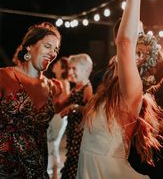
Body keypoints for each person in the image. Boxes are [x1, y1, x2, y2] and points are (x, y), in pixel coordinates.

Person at [76, 0, 163, 179]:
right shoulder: (110, 87)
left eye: (138, 51)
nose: (130, 49)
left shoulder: (132, 92)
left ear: (143, 68)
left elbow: (125, 41)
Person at [0, 22, 66, 178]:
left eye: (56, 49)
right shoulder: (5, 77)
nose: (53, 53)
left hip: (37, 168)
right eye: (47, 46)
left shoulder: (53, 87)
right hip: (5, 168)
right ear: (29, 46)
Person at [60, 53, 93, 179]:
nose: (70, 71)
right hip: (72, 131)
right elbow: (59, 106)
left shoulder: (87, 88)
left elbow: (90, 112)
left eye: (74, 68)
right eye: (69, 68)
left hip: (80, 134)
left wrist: (74, 107)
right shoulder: (76, 88)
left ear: (85, 70)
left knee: (75, 165)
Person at [47, 57, 71, 179]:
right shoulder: (56, 81)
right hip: (54, 117)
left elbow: (63, 101)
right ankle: (54, 174)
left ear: (62, 70)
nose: (54, 64)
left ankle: (54, 174)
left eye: (57, 64)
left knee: (52, 144)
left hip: (58, 117)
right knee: (51, 144)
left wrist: (51, 99)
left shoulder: (64, 83)